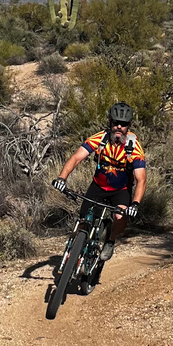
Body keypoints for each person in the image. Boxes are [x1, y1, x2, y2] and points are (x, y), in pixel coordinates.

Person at [52, 102, 146, 261]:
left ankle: (110, 240)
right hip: (98, 186)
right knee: (83, 221)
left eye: (123, 124)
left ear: (128, 125)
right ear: (110, 121)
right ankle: (76, 252)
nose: (118, 127)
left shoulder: (134, 147)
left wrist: (135, 203)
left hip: (121, 190)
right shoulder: (100, 138)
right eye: (115, 123)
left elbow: (141, 179)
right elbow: (76, 158)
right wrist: (62, 178)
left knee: (119, 217)